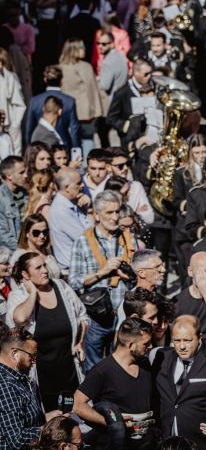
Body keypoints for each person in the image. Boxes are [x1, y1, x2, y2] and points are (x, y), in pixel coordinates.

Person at [5, 251, 87, 411]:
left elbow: (82, 317)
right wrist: (34, 293)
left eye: (45, 265)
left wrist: (80, 342)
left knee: (73, 414)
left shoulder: (61, 287)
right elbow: (20, 319)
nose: (45, 270)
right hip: (41, 375)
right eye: (38, 268)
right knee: (49, 419)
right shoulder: (18, 295)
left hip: (69, 369)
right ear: (25, 274)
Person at [69, 191, 138, 371]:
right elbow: (74, 282)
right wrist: (102, 272)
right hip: (97, 317)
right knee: (94, 369)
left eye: (117, 212)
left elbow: (138, 274)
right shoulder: (83, 242)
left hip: (124, 314)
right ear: (96, 215)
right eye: (109, 213)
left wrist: (130, 274)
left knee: (123, 366)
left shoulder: (127, 238)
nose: (115, 217)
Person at [153, 315, 206, 450]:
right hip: (167, 441)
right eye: (177, 340)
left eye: (188, 340)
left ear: (200, 337)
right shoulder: (162, 357)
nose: (182, 346)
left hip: (202, 442)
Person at [72, 318, 157, 450]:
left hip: (147, 444)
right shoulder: (102, 371)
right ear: (131, 345)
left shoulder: (145, 364)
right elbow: (77, 404)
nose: (150, 346)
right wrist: (113, 421)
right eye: (146, 343)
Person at [0, 324, 53, 449]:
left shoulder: (16, 379)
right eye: (32, 355)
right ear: (15, 354)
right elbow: (17, 440)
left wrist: (48, 417)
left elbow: (24, 419)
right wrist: (52, 429)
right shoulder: (5, 385)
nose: (34, 361)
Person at [56, 39, 108, 157]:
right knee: (87, 139)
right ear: (74, 50)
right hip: (85, 113)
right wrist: (98, 111)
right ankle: (85, 165)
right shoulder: (85, 67)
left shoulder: (61, 67)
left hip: (66, 112)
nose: (84, 50)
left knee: (69, 140)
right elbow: (92, 90)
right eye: (81, 47)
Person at [23, 66, 81, 151]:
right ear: (62, 81)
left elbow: (29, 127)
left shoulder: (35, 101)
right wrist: (76, 150)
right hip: (63, 148)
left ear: (45, 80)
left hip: (40, 147)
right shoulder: (69, 101)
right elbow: (74, 129)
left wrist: (29, 147)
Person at [48, 169, 90, 273]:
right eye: (78, 183)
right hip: (74, 271)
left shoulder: (70, 204)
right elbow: (87, 238)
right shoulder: (61, 210)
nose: (82, 186)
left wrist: (85, 208)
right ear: (67, 187)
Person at [0, 49, 27, 151]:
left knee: (13, 149)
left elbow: (19, 103)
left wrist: (15, 123)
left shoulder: (10, 77)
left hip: (10, 122)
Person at [0, 156, 27, 252]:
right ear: (9, 176)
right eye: (21, 173)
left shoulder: (26, 194)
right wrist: (21, 250)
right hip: (9, 253)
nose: (26, 176)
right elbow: (2, 233)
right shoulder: (1, 199)